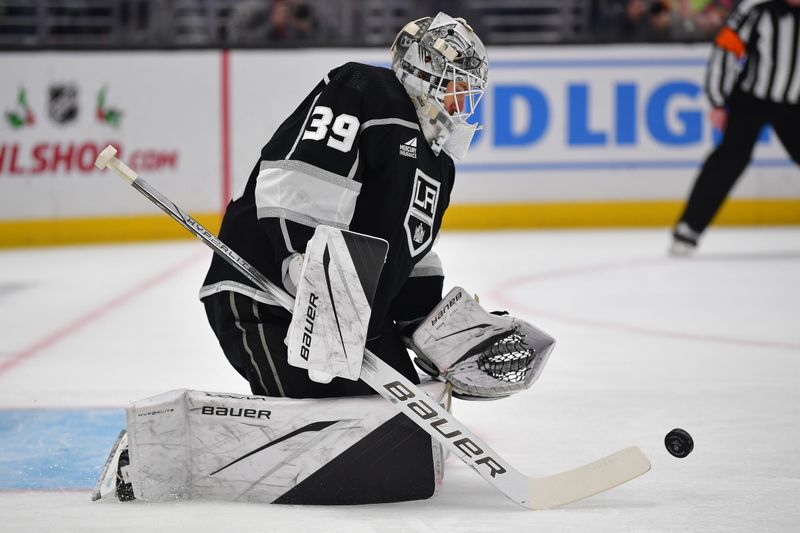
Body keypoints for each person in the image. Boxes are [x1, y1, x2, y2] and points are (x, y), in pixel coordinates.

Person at [670, 0, 800, 255]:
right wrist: (717, 100)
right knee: (729, 159)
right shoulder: (756, 6)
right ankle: (689, 228)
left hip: (796, 105)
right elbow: (726, 48)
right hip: (753, 99)